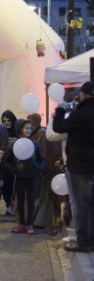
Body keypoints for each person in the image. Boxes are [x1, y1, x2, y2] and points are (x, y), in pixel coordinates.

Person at [52, 81, 94, 253]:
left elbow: (58, 127)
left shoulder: (80, 114)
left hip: (79, 167)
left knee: (81, 206)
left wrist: (61, 110)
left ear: (84, 95)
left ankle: (83, 242)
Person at [3, 119, 45, 234]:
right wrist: (14, 170)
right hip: (20, 176)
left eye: (30, 128)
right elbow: (6, 160)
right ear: (20, 129)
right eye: (26, 128)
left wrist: (39, 168)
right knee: (20, 199)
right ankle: (21, 223)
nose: (29, 130)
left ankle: (29, 224)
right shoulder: (14, 144)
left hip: (33, 176)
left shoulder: (34, 144)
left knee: (31, 200)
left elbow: (42, 159)